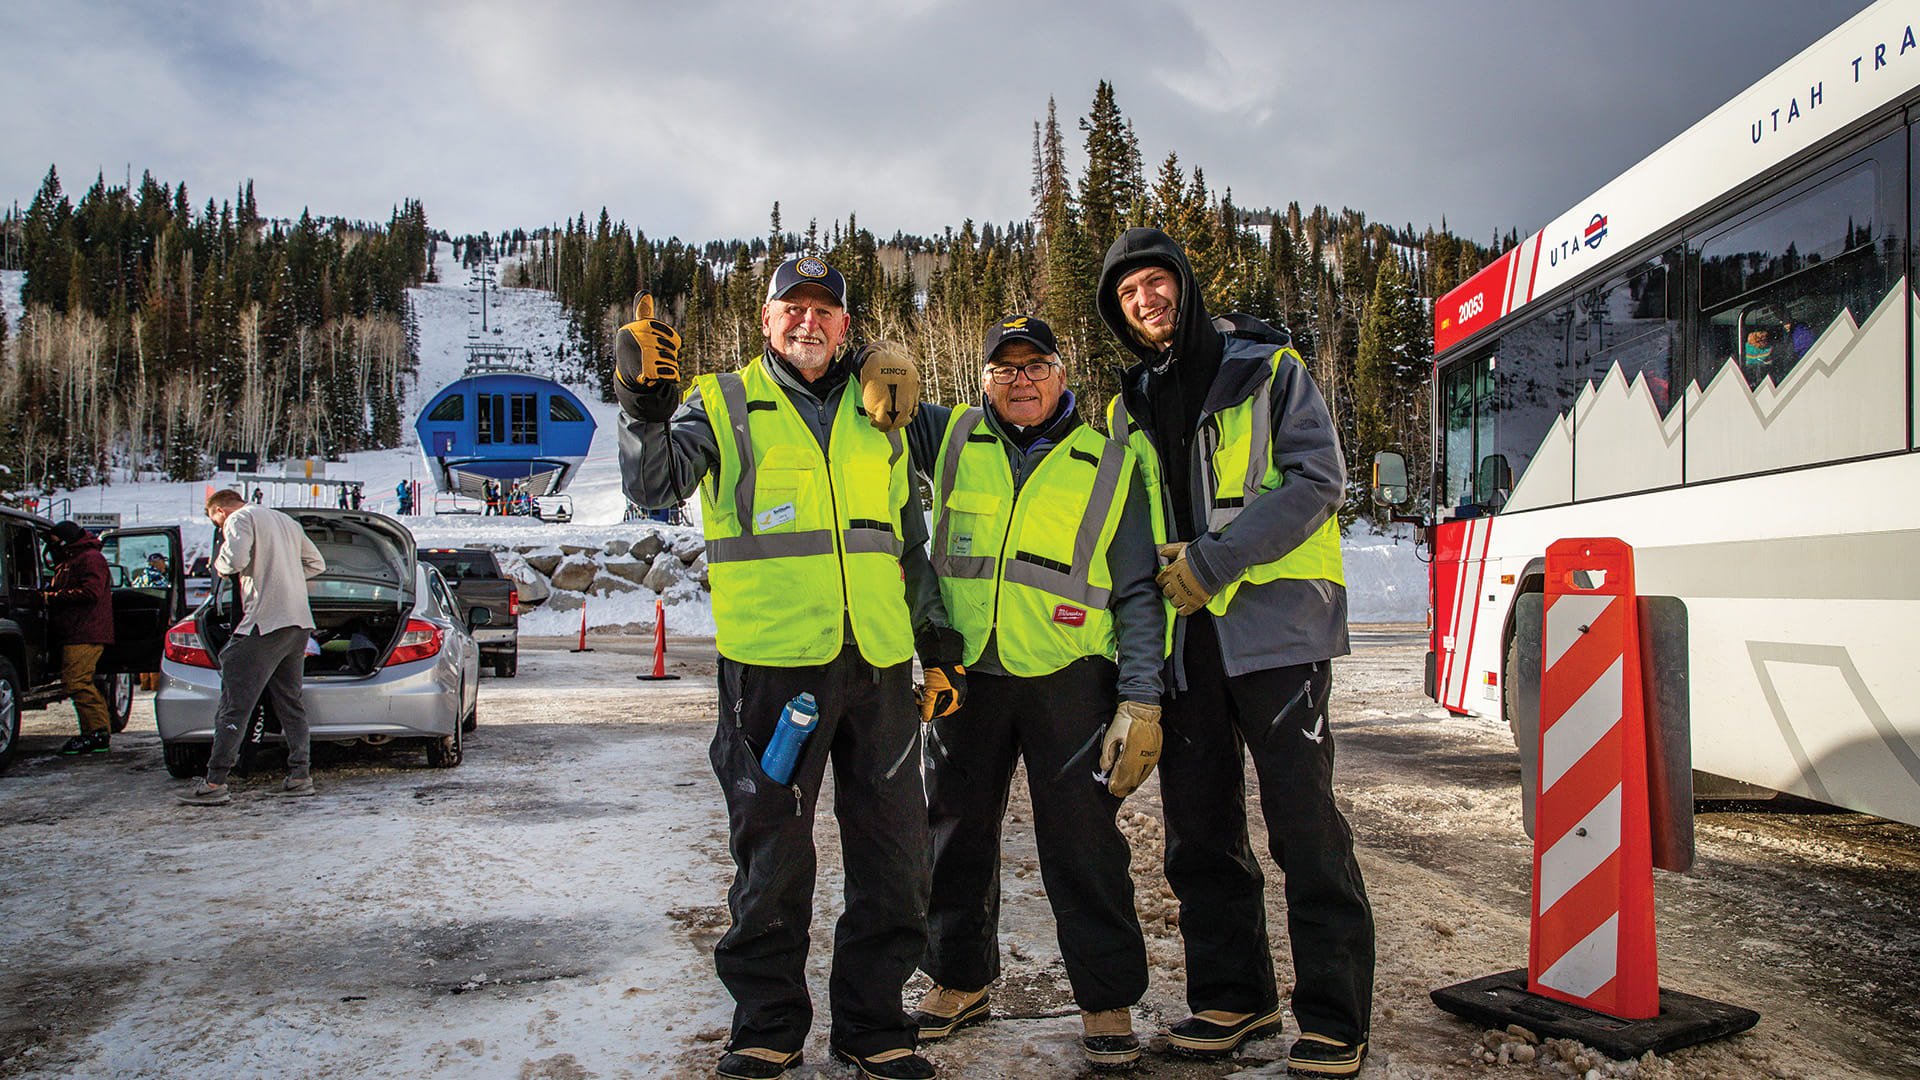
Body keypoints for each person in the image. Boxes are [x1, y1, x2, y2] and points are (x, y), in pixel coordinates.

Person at [616, 255, 948, 1080]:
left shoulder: (882, 411)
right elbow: (655, 486)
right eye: (789, 309)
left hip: (878, 670)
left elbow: (907, 540)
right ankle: (766, 1024)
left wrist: (935, 642)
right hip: (772, 674)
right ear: (765, 323)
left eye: (823, 310)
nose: (807, 322)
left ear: (846, 324)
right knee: (771, 854)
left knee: (895, 855)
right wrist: (644, 406)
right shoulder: (722, 402)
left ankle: (874, 1025)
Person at [1097, 227, 1373, 1078]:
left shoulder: (1269, 368)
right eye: (1128, 293)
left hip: (1277, 628)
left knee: (1303, 824)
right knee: (1200, 829)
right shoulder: (1127, 404)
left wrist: (1216, 560)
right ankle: (1234, 996)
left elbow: (1318, 481)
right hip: (1188, 643)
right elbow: (1131, 535)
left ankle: (1333, 1016)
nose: (1146, 300)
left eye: (1155, 282)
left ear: (1184, 284)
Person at [901, 315, 1165, 1070]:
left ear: (1061, 372)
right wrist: (874, 358)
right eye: (1003, 367)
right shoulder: (949, 437)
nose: (1020, 379)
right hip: (968, 673)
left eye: (1035, 364)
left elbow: (1139, 591)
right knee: (954, 831)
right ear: (982, 379)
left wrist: (1139, 698)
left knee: (1083, 841)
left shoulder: (1108, 463)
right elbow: (866, 389)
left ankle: (1105, 997)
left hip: (1069, 677)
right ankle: (958, 980)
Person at [177, 489, 327, 806]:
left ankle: (215, 782)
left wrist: (220, 564)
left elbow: (234, 561)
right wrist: (285, 577)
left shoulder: (239, 518)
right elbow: (316, 563)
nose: (219, 526)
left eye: (215, 521)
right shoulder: (285, 520)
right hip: (298, 623)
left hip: (263, 623)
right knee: (291, 703)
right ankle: (300, 775)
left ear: (219, 510)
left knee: (235, 704)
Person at [46, 521, 116, 755]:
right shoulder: (74, 558)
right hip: (77, 630)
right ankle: (94, 731)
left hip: (85, 631)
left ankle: (96, 732)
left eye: (55, 542)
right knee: (79, 680)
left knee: (77, 681)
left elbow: (91, 592)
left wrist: (53, 597)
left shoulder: (89, 559)